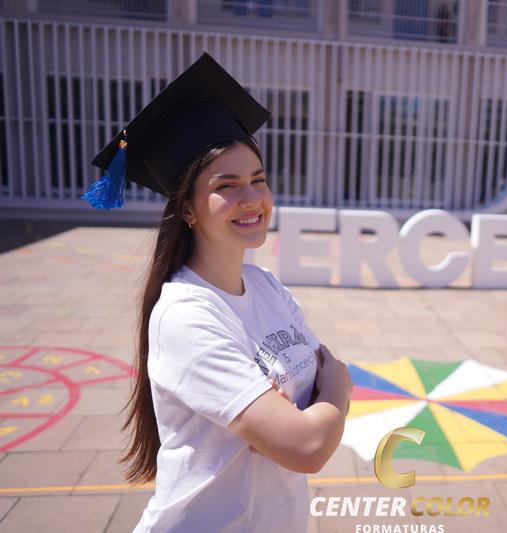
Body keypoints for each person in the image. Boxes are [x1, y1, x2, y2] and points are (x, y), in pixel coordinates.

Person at [82, 53, 353, 532]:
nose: (252, 199)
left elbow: (306, 413)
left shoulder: (268, 288)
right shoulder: (186, 315)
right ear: (187, 209)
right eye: (226, 186)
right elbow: (307, 446)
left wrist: (293, 416)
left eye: (258, 180)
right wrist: (339, 388)